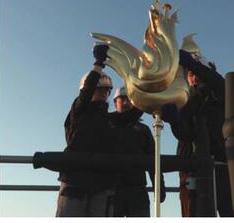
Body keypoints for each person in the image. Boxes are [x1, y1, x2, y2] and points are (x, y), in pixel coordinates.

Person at [161, 38, 234, 217]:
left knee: (231, 213)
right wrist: (175, 121)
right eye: (190, 73)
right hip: (191, 169)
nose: (194, 76)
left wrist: (192, 63)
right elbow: (185, 135)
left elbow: (222, 85)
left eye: (197, 72)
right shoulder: (185, 102)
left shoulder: (219, 99)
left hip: (222, 167)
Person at [56, 43, 119, 217]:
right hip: (75, 180)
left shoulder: (109, 120)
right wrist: (98, 65)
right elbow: (85, 93)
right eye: (99, 90)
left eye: (106, 91)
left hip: (102, 183)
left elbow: (131, 115)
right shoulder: (78, 111)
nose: (103, 94)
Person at [110, 87, 165, 217]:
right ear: (115, 102)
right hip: (111, 189)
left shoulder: (143, 129)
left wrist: (159, 187)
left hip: (137, 189)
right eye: (122, 99)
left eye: (129, 100)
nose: (125, 103)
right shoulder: (107, 125)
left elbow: (153, 159)